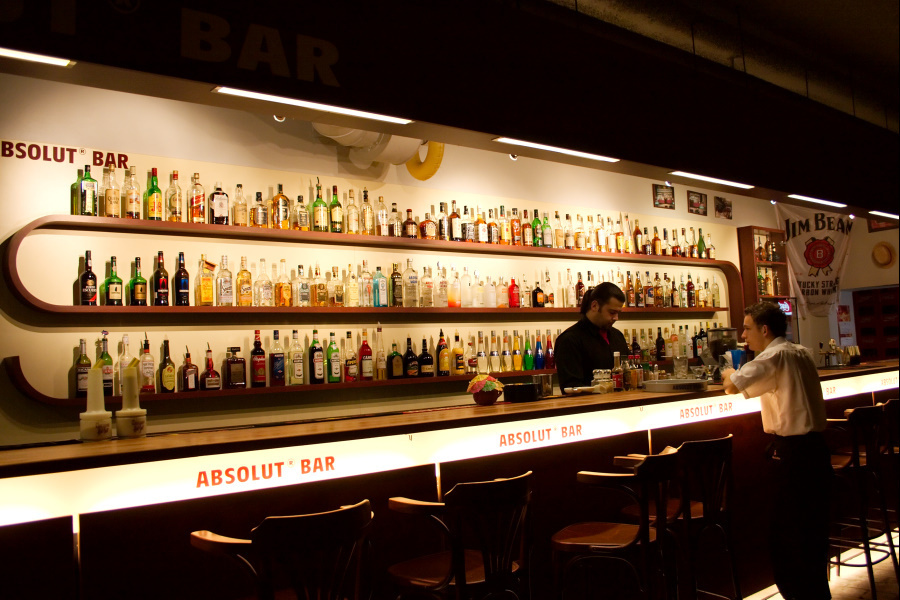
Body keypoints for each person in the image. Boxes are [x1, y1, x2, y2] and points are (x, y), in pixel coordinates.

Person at [722, 302, 831, 600]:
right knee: (813, 532)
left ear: (765, 329)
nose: (743, 336)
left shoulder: (772, 357)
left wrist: (728, 370)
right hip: (817, 450)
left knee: (788, 535)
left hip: (793, 454)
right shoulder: (801, 351)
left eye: (747, 328)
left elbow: (732, 386)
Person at [555, 282, 628, 390]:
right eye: (612, 312)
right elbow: (572, 389)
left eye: (618, 313)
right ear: (594, 306)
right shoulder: (569, 340)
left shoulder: (618, 336)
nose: (616, 318)